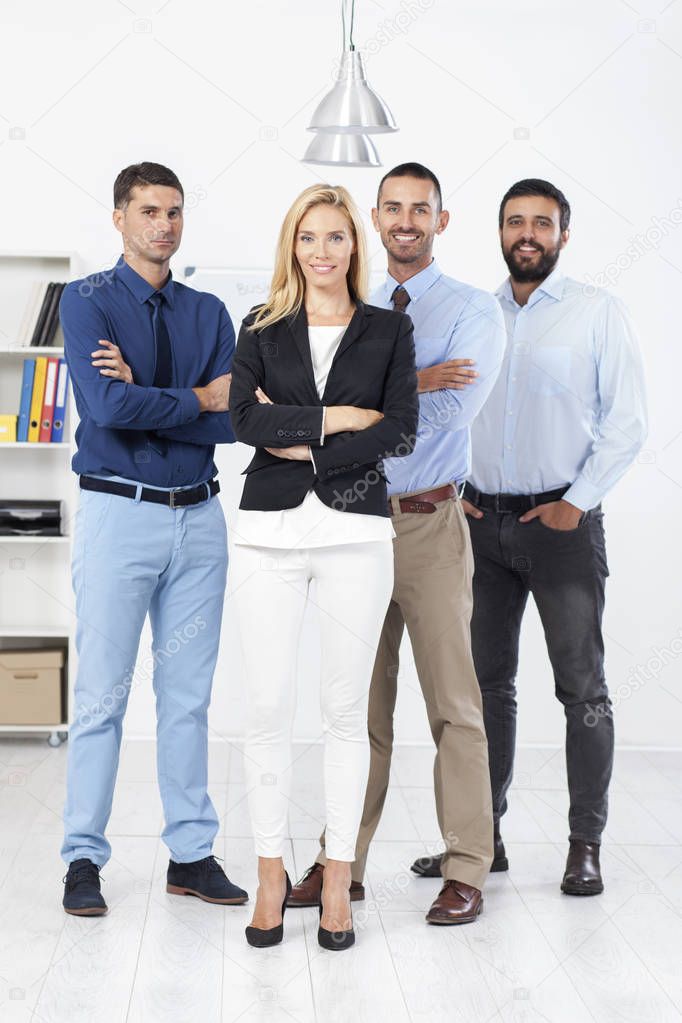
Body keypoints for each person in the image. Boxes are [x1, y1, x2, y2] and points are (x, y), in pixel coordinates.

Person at [410, 177, 648, 896]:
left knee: (584, 689)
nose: (527, 234)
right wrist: (454, 488)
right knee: (483, 691)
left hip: (562, 526)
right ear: (500, 231)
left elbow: (628, 422)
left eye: (541, 223)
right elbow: (447, 411)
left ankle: (585, 844)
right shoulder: (473, 314)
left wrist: (577, 503)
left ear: (563, 235)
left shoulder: (596, 313)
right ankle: (484, 841)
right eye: (516, 222)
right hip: (479, 524)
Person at [288, 162, 506, 925]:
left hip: (429, 524)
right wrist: (414, 378)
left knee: (454, 705)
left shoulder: (476, 311)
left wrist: (372, 393)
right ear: (375, 221)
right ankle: (338, 861)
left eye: (422, 208)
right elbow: (309, 405)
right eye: (393, 208)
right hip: (351, 519)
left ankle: (467, 865)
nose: (406, 220)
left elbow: (444, 417)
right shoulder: (349, 305)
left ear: (441, 221)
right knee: (354, 706)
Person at [228, 183, 418, 950]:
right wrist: (339, 419)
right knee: (267, 707)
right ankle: (272, 872)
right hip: (269, 531)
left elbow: (400, 430)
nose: (322, 252)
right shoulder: (261, 324)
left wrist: (297, 434)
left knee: (346, 715)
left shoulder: (387, 331)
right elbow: (245, 419)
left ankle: (337, 874)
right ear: (292, 244)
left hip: (355, 535)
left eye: (337, 237)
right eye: (310, 237)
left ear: (355, 246)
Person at [60, 161, 247, 916]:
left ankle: (191, 855)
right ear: (118, 218)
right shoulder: (87, 302)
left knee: (187, 697)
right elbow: (105, 406)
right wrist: (189, 396)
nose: (163, 224)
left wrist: (154, 396)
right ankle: (82, 859)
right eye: (147, 210)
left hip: (200, 519)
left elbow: (233, 420)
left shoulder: (210, 313)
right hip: (119, 514)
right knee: (102, 695)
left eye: (173, 211)